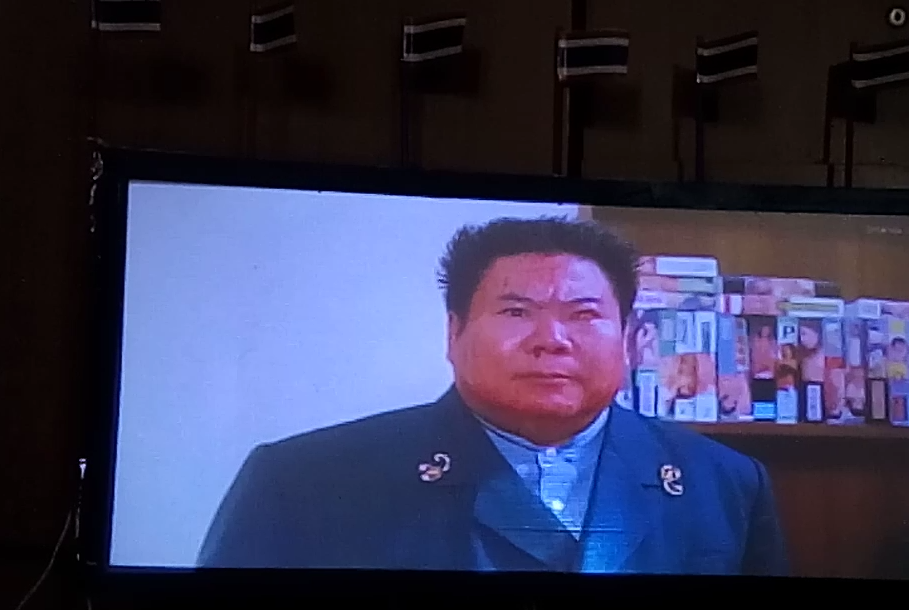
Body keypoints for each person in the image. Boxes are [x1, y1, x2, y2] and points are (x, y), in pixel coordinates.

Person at [198, 217, 789, 576]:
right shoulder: (302, 481)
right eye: (516, 312)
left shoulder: (726, 482)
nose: (552, 340)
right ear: (453, 333)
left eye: (583, 314)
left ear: (631, 339)